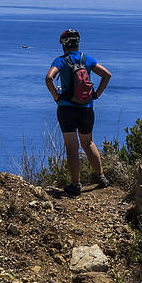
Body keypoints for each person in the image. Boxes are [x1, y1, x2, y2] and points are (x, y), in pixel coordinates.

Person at [45, 29, 112, 196]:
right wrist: (96, 95)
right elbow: (107, 75)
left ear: (63, 44)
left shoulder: (61, 61)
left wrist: (56, 97)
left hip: (67, 109)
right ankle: (101, 178)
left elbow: (49, 78)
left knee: (72, 147)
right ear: (78, 43)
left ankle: (76, 185)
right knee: (88, 143)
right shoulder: (86, 59)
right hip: (86, 109)